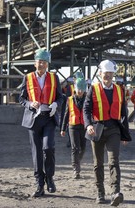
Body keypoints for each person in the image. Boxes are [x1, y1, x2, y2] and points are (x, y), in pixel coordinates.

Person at [83, 59, 131, 206]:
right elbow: (86, 109)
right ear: (100, 74)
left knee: (113, 161)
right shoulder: (93, 88)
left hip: (114, 130)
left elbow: (123, 113)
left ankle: (116, 192)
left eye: (110, 73)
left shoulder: (119, 89)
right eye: (105, 73)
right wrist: (88, 125)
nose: (108, 76)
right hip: (97, 129)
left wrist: (125, 134)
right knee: (98, 164)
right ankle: (100, 193)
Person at [19, 48, 63, 197]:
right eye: (39, 62)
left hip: (49, 118)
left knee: (48, 148)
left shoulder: (54, 78)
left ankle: (49, 177)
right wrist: (30, 104)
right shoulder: (28, 77)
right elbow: (21, 98)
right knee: (37, 152)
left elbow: (60, 97)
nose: (41, 65)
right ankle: (39, 183)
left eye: (44, 62)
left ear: (47, 64)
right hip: (33, 119)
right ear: (35, 63)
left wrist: (56, 104)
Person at [60, 77, 87, 179]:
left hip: (84, 126)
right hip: (73, 126)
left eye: (82, 89)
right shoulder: (70, 100)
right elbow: (66, 115)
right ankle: (76, 170)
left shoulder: (87, 100)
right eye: (78, 89)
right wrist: (62, 129)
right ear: (75, 88)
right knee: (75, 148)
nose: (80, 91)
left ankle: (77, 161)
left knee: (83, 148)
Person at [61, 76, 75, 147]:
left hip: (72, 107)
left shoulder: (70, 87)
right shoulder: (72, 87)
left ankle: (71, 141)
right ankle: (71, 141)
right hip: (72, 107)